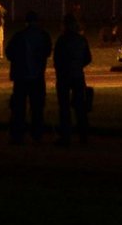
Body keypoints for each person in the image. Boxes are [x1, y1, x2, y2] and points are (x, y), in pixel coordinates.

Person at [7, 11, 52, 145]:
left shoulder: (19, 36)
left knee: (19, 108)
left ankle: (18, 134)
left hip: (21, 77)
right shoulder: (43, 36)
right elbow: (48, 52)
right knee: (37, 108)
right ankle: (37, 134)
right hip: (37, 77)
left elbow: (9, 53)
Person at [52, 13, 92, 146]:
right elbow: (88, 58)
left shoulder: (62, 40)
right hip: (77, 75)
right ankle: (83, 136)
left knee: (64, 107)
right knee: (80, 106)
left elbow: (56, 59)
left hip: (64, 76)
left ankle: (66, 136)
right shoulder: (81, 39)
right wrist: (79, 65)